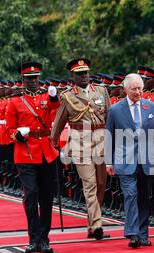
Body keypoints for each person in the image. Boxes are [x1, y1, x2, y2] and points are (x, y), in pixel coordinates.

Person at [51, 58, 111, 240]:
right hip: (80, 142)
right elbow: (59, 121)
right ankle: (97, 224)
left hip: (101, 140)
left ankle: (92, 224)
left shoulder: (101, 91)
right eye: (79, 74)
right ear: (72, 76)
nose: (84, 76)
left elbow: (109, 117)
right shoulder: (68, 96)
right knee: (90, 183)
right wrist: (53, 141)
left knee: (101, 183)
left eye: (85, 72)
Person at [106, 73, 154, 248]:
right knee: (130, 194)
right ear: (126, 90)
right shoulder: (115, 110)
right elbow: (109, 137)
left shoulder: (151, 107)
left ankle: (143, 233)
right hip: (125, 161)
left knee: (144, 197)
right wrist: (109, 162)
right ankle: (132, 233)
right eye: (134, 89)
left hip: (146, 160)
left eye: (140, 88)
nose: (138, 92)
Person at [5, 61, 59, 253]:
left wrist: (54, 96)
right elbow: (9, 129)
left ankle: (44, 238)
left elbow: (56, 108)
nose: (33, 82)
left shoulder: (47, 97)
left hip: (46, 152)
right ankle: (33, 238)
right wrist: (17, 134)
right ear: (23, 80)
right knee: (31, 195)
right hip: (25, 153)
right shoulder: (15, 101)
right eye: (29, 79)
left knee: (46, 197)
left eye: (36, 78)